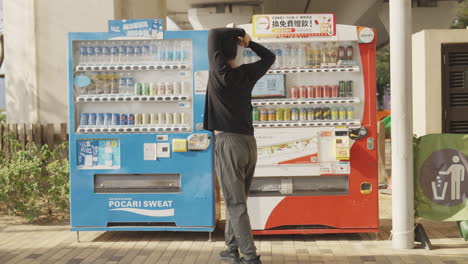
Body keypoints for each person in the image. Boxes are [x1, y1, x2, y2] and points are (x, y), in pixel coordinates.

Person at [203, 27, 275, 264]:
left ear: (219, 55)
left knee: (234, 203)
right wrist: (249, 41)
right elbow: (270, 57)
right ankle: (232, 248)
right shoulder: (247, 73)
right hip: (248, 143)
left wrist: (239, 32)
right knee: (239, 200)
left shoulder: (219, 71)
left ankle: (250, 256)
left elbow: (213, 33)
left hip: (228, 143)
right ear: (237, 52)